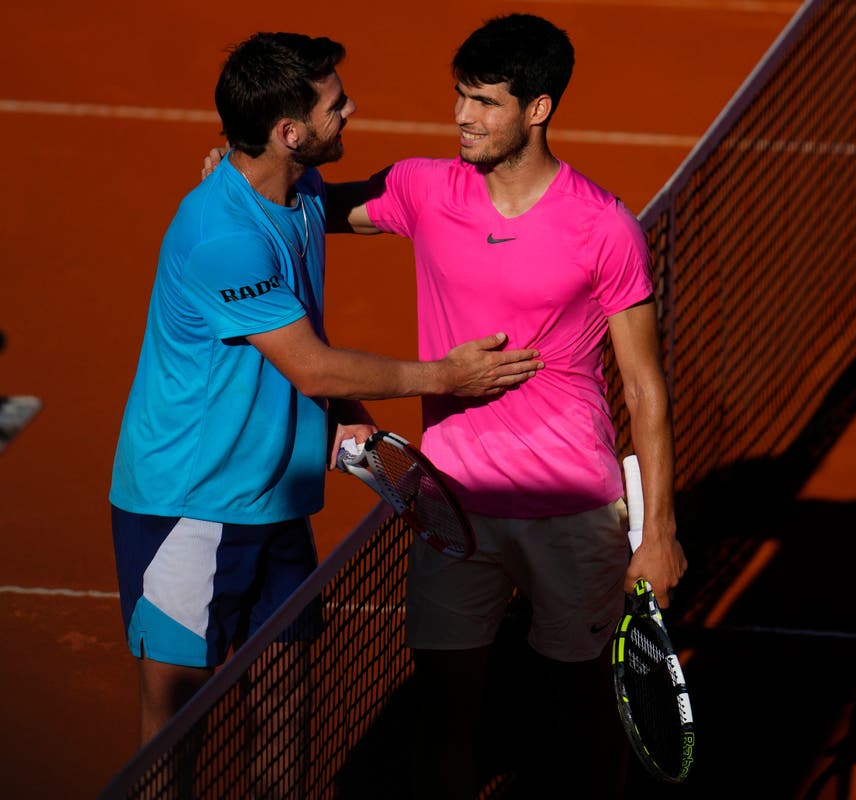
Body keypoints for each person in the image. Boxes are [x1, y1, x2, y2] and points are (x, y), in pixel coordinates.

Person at [110, 30, 544, 765]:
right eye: (334, 106)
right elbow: (311, 367)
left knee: (288, 709)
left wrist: (345, 417)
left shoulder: (301, 191)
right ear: (288, 132)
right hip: (192, 507)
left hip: (277, 496)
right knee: (176, 734)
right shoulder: (222, 237)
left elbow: (308, 312)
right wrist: (446, 376)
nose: (351, 110)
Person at [325, 13, 688, 798]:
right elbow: (307, 206)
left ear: (538, 108)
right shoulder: (423, 190)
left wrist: (658, 533)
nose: (463, 116)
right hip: (453, 507)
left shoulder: (604, 227)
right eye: (461, 96)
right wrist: (242, 179)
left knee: (588, 712)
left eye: (486, 102)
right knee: (444, 715)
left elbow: (644, 386)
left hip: (572, 511)